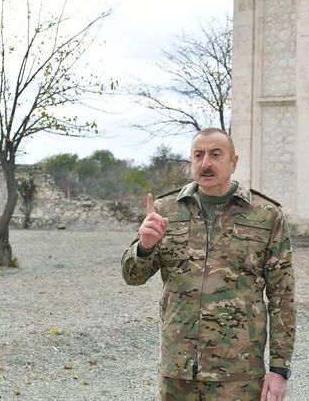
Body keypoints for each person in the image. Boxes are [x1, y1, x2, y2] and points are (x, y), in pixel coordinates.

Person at [121, 128, 296, 401]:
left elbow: (282, 297)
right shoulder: (166, 210)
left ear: (233, 162)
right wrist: (145, 246)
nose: (206, 163)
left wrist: (279, 369)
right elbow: (132, 277)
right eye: (198, 155)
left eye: (215, 155)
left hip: (238, 374)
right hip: (178, 372)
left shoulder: (266, 215)